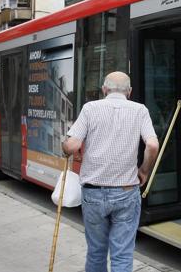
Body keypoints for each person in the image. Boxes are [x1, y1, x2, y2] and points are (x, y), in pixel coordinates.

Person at [62, 71, 159, 272]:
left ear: (104, 90)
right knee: (122, 255)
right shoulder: (140, 110)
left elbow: (72, 146)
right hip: (126, 191)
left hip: (93, 192)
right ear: (129, 91)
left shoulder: (90, 108)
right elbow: (152, 145)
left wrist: (65, 146)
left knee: (96, 252)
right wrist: (144, 171)